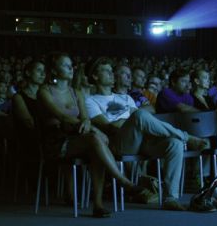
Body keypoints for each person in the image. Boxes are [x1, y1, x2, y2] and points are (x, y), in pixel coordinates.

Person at [84, 57, 208, 211]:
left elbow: (140, 121)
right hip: (119, 143)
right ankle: (186, 137)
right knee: (140, 115)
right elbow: (109, 126)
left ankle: (171, 198)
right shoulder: (91, 101)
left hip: (140, 140)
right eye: (106, 71)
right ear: (95, 76)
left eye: (111, 70)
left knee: (174, 144)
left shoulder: (126, 97)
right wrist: (130, 120)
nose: (111, 74)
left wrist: (132, 120)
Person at [38, 53, 150, 218]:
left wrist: (88, 125)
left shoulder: (76, 92)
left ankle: (98, 204)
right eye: (65, 65)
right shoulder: (44, 91)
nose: (71, 68)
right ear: (54, 71)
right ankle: (122, 181)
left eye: (71, 65)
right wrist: (88, 127)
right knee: (95, 139)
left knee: (95, 146)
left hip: (77, 136)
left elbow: (85, 118)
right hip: (55, 141)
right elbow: (61, 116)